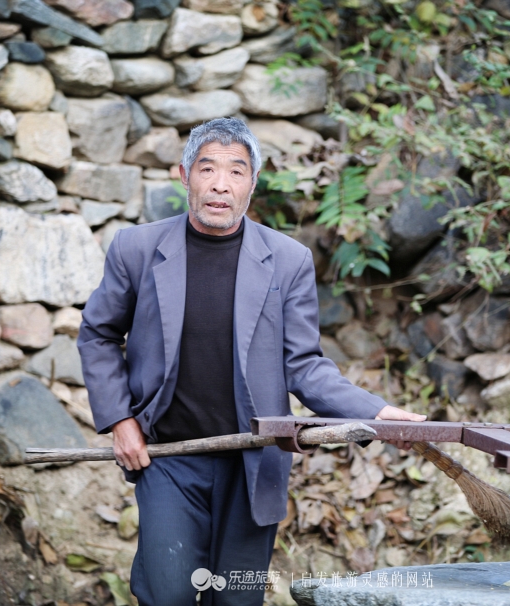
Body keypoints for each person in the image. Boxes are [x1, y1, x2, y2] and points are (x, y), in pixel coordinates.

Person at [78, 117, 424, 606]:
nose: (221, 184)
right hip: (168, 457)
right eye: (207, 169)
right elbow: (98, 334)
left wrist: (378, 412)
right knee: (167, 593)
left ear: (253, 183)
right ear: (185, 175)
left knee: (236, 599)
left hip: (255, 462)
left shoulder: (287, 260)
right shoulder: (136, 250)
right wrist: (120, 420)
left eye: (236, 171)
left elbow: (304, 366)